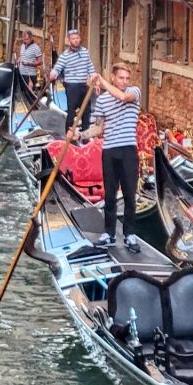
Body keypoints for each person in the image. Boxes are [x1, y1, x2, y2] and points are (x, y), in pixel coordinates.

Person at [78, 63, 141, 253]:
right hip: (110, 151)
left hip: (129, 150)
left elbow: (122, 97)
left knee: (130, 195)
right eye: (121, 78)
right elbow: (99, 128)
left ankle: (129, 234)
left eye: (126, 78)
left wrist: (101, 80)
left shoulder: (134, 92)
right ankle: (109, 234)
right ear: (113, 77)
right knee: (110, 195)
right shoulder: (103, 100)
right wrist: (80, 135)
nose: (124, 82)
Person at [49, 29, 96, 131]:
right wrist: (53, 74)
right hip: (71, 86)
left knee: (86, 110)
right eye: (73, 39)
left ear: (80, 39)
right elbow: (57, 68)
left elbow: (90, 67)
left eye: (77, 38)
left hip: (84, 85)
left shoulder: (85, 52)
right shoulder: (65, 55)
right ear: (69, 40)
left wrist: (94, 78)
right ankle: (68, 134)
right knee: (72, 111)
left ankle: (85, 133)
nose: (75, 40)